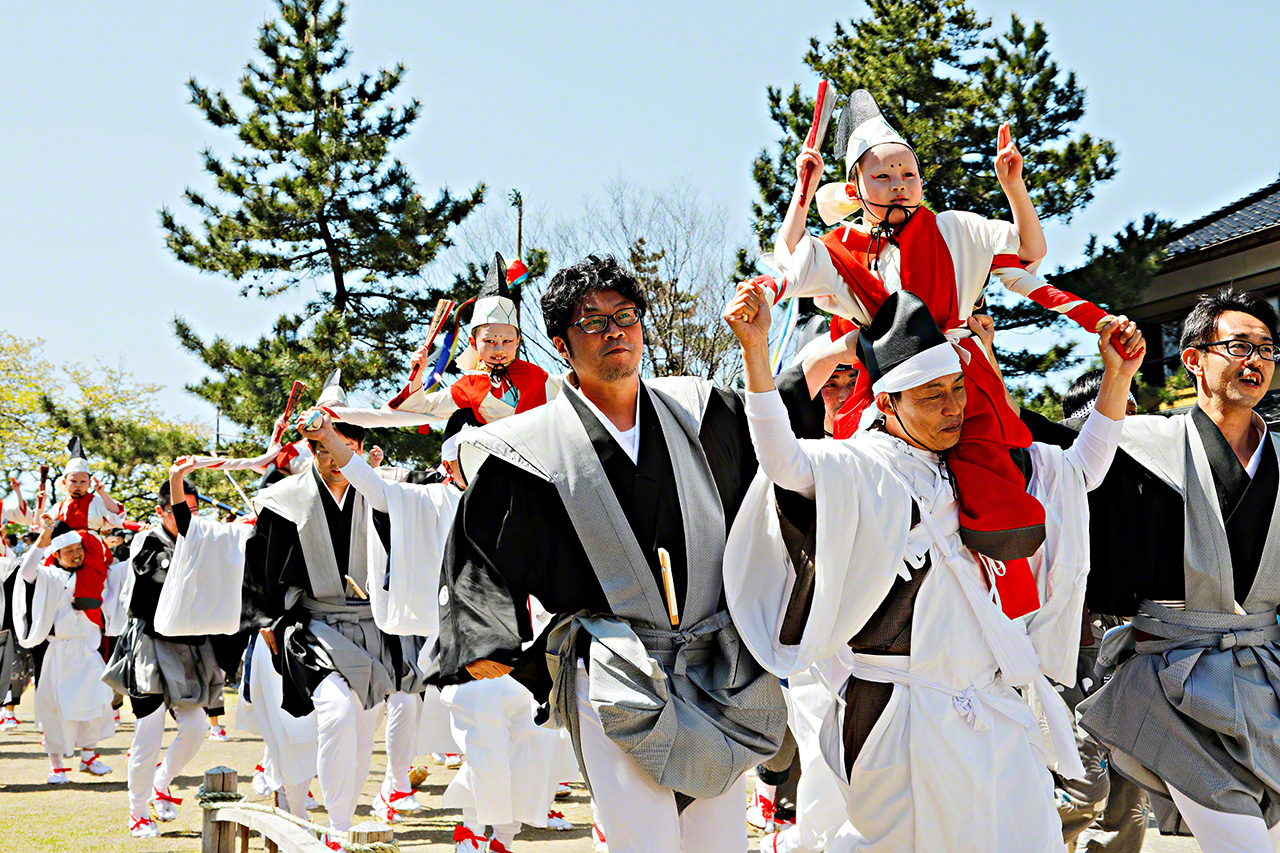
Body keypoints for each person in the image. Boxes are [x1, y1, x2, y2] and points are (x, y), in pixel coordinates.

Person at [722, 283, 1144, 852]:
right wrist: (755, 352)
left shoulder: (983, 461)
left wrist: (1115, 378)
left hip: (993, 704)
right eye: (931, 395)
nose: (952, 407)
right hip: (898, 709)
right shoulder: (860, 466)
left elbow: (1080, 473)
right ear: (888, 403)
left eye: (956, 389)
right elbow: (783, 460)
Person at [430, 254, 831, 853]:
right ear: (563, 344)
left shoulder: (695, 410)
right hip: (613, 663)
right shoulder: (529, 446)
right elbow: (481, 546)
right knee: (643, 840)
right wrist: (485, 639)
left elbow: (771, 446)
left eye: (625, 316)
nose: (614, 330)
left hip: (714, 662)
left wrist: (766, 347)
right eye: (592, 321)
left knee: (718, 840)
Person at [762, 89, 1127, 622]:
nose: (897, 185)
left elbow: (1029, 253)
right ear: (855, 188)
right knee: (861, 483)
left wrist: (1014, 187)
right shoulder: (840, 245)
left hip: (961, 374)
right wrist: (802, 192)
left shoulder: (955, 228)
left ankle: (1010, 595)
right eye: (882, 177)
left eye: (907, 174)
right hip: (881, 387)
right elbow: (789, 264)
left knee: (992, 477)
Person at [1078, 288, 1280, 853]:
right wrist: (1116, 380)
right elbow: (1063, 475)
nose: (1256, 361)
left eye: (1267, 349)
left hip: (1266, 677)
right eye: (1239, 345)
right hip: (1173, 678)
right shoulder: (1139, 446)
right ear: (1193, 358)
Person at [243, 372, 397, 849]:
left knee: (362, 726)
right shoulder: (282, 500)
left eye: (343, 448)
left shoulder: (385, 494)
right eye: (325, 449)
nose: (334, 460)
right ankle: (338, 825)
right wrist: (264, 622)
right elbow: (258, 570)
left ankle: (341, 816)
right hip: (309, 627)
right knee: (335, 712)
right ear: (312, 450)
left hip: (372, 625)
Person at [102, 462, 226, 838]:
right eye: (178, 510)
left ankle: (162, 780)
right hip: (149, 645)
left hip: (187, 647)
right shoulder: (147, 541)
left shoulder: (198, 541)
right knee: (149, 729)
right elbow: (151, 585)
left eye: (192, 510)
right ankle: (137, 811)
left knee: (196, 725)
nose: (186, 517)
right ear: (161, 511)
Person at [330, 253, 561, 432]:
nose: (499, 348)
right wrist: (418, 374)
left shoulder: (537, 376)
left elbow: (581, 387)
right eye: (489, 340)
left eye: (507, 341)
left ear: (518, 341)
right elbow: (419, 409)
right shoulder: (470, 386)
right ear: (473, 342)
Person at [12, 518, 118, 783]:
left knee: (98, 700)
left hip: (87, 649)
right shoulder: (47, 576)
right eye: (68, 551)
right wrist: (46, 533)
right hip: (57, 651)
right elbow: (26, 570)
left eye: (78, 549)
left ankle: (89, 756)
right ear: (56, 554)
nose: (76, 554)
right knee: (55, 709)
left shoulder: (90, 576)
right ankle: (57, 766)